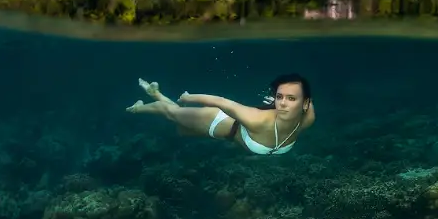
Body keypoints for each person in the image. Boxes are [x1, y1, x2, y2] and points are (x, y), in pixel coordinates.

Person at [126, 73, 315, 155]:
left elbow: (306, 95)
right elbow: (222, 102)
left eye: (291, 99)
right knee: (173, 113)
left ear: (305, 103)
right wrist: (189, 97)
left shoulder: (307, 120)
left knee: (181, 130)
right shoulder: (257, 120)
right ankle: (138, 108)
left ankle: (155, 94)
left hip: (225, 134)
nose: (282, 103)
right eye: (279, 97)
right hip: (215, 121)